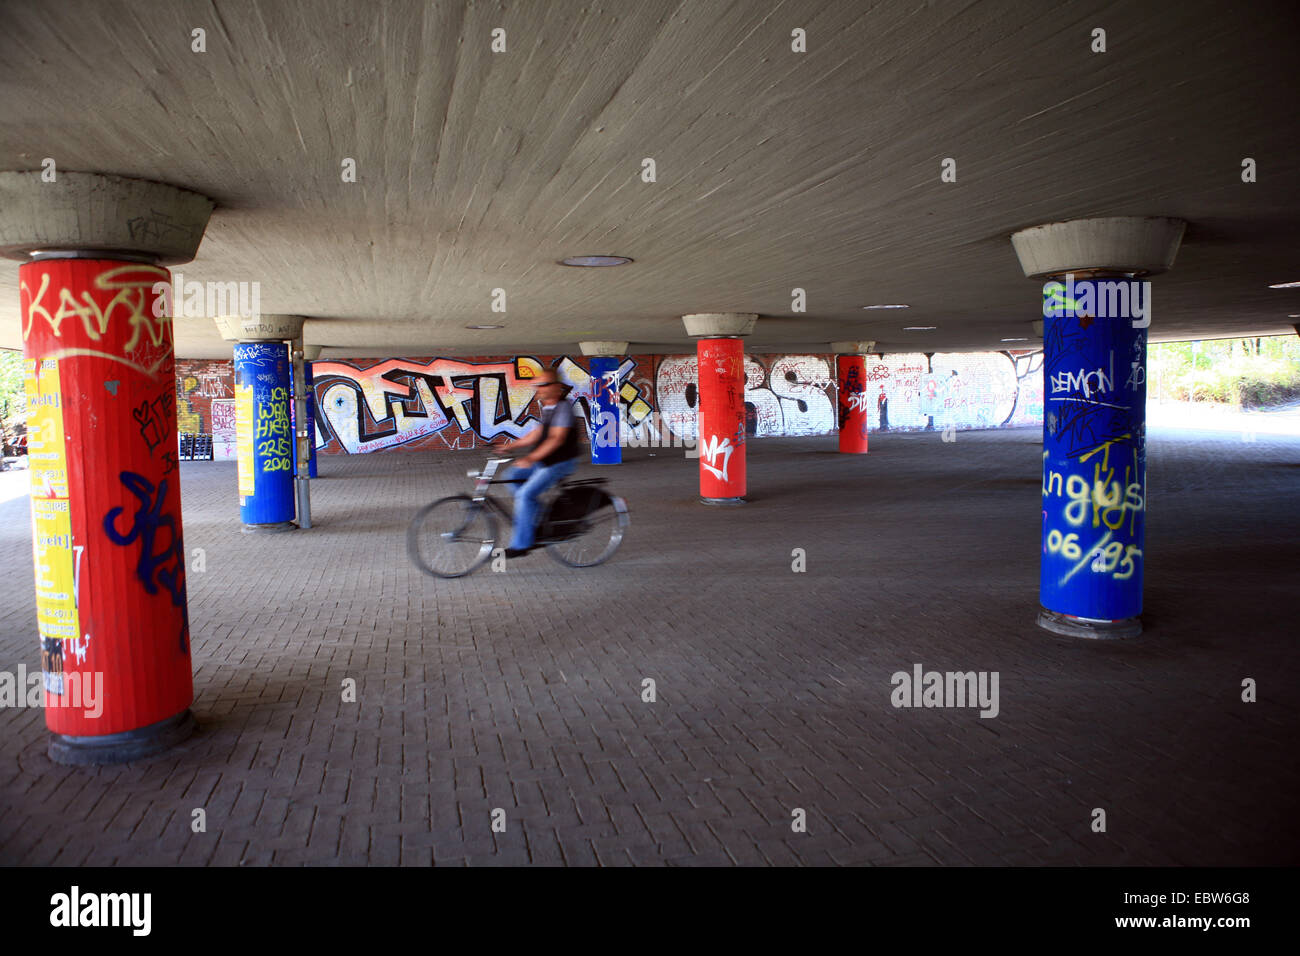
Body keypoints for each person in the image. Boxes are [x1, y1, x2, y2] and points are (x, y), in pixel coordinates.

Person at [497, 369, 581, 557]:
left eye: (544, 385)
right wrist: (510, 446)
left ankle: (521, 545)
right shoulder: (549, 407)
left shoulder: (563, 408)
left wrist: (530, 458)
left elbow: (556, 439)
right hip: (546, 460)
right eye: (537, 385)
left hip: (560, 462)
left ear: (557, 387)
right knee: (510, 477)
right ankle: (541, 514)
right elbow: (538, 433)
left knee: (525, 495)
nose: (539, 389)